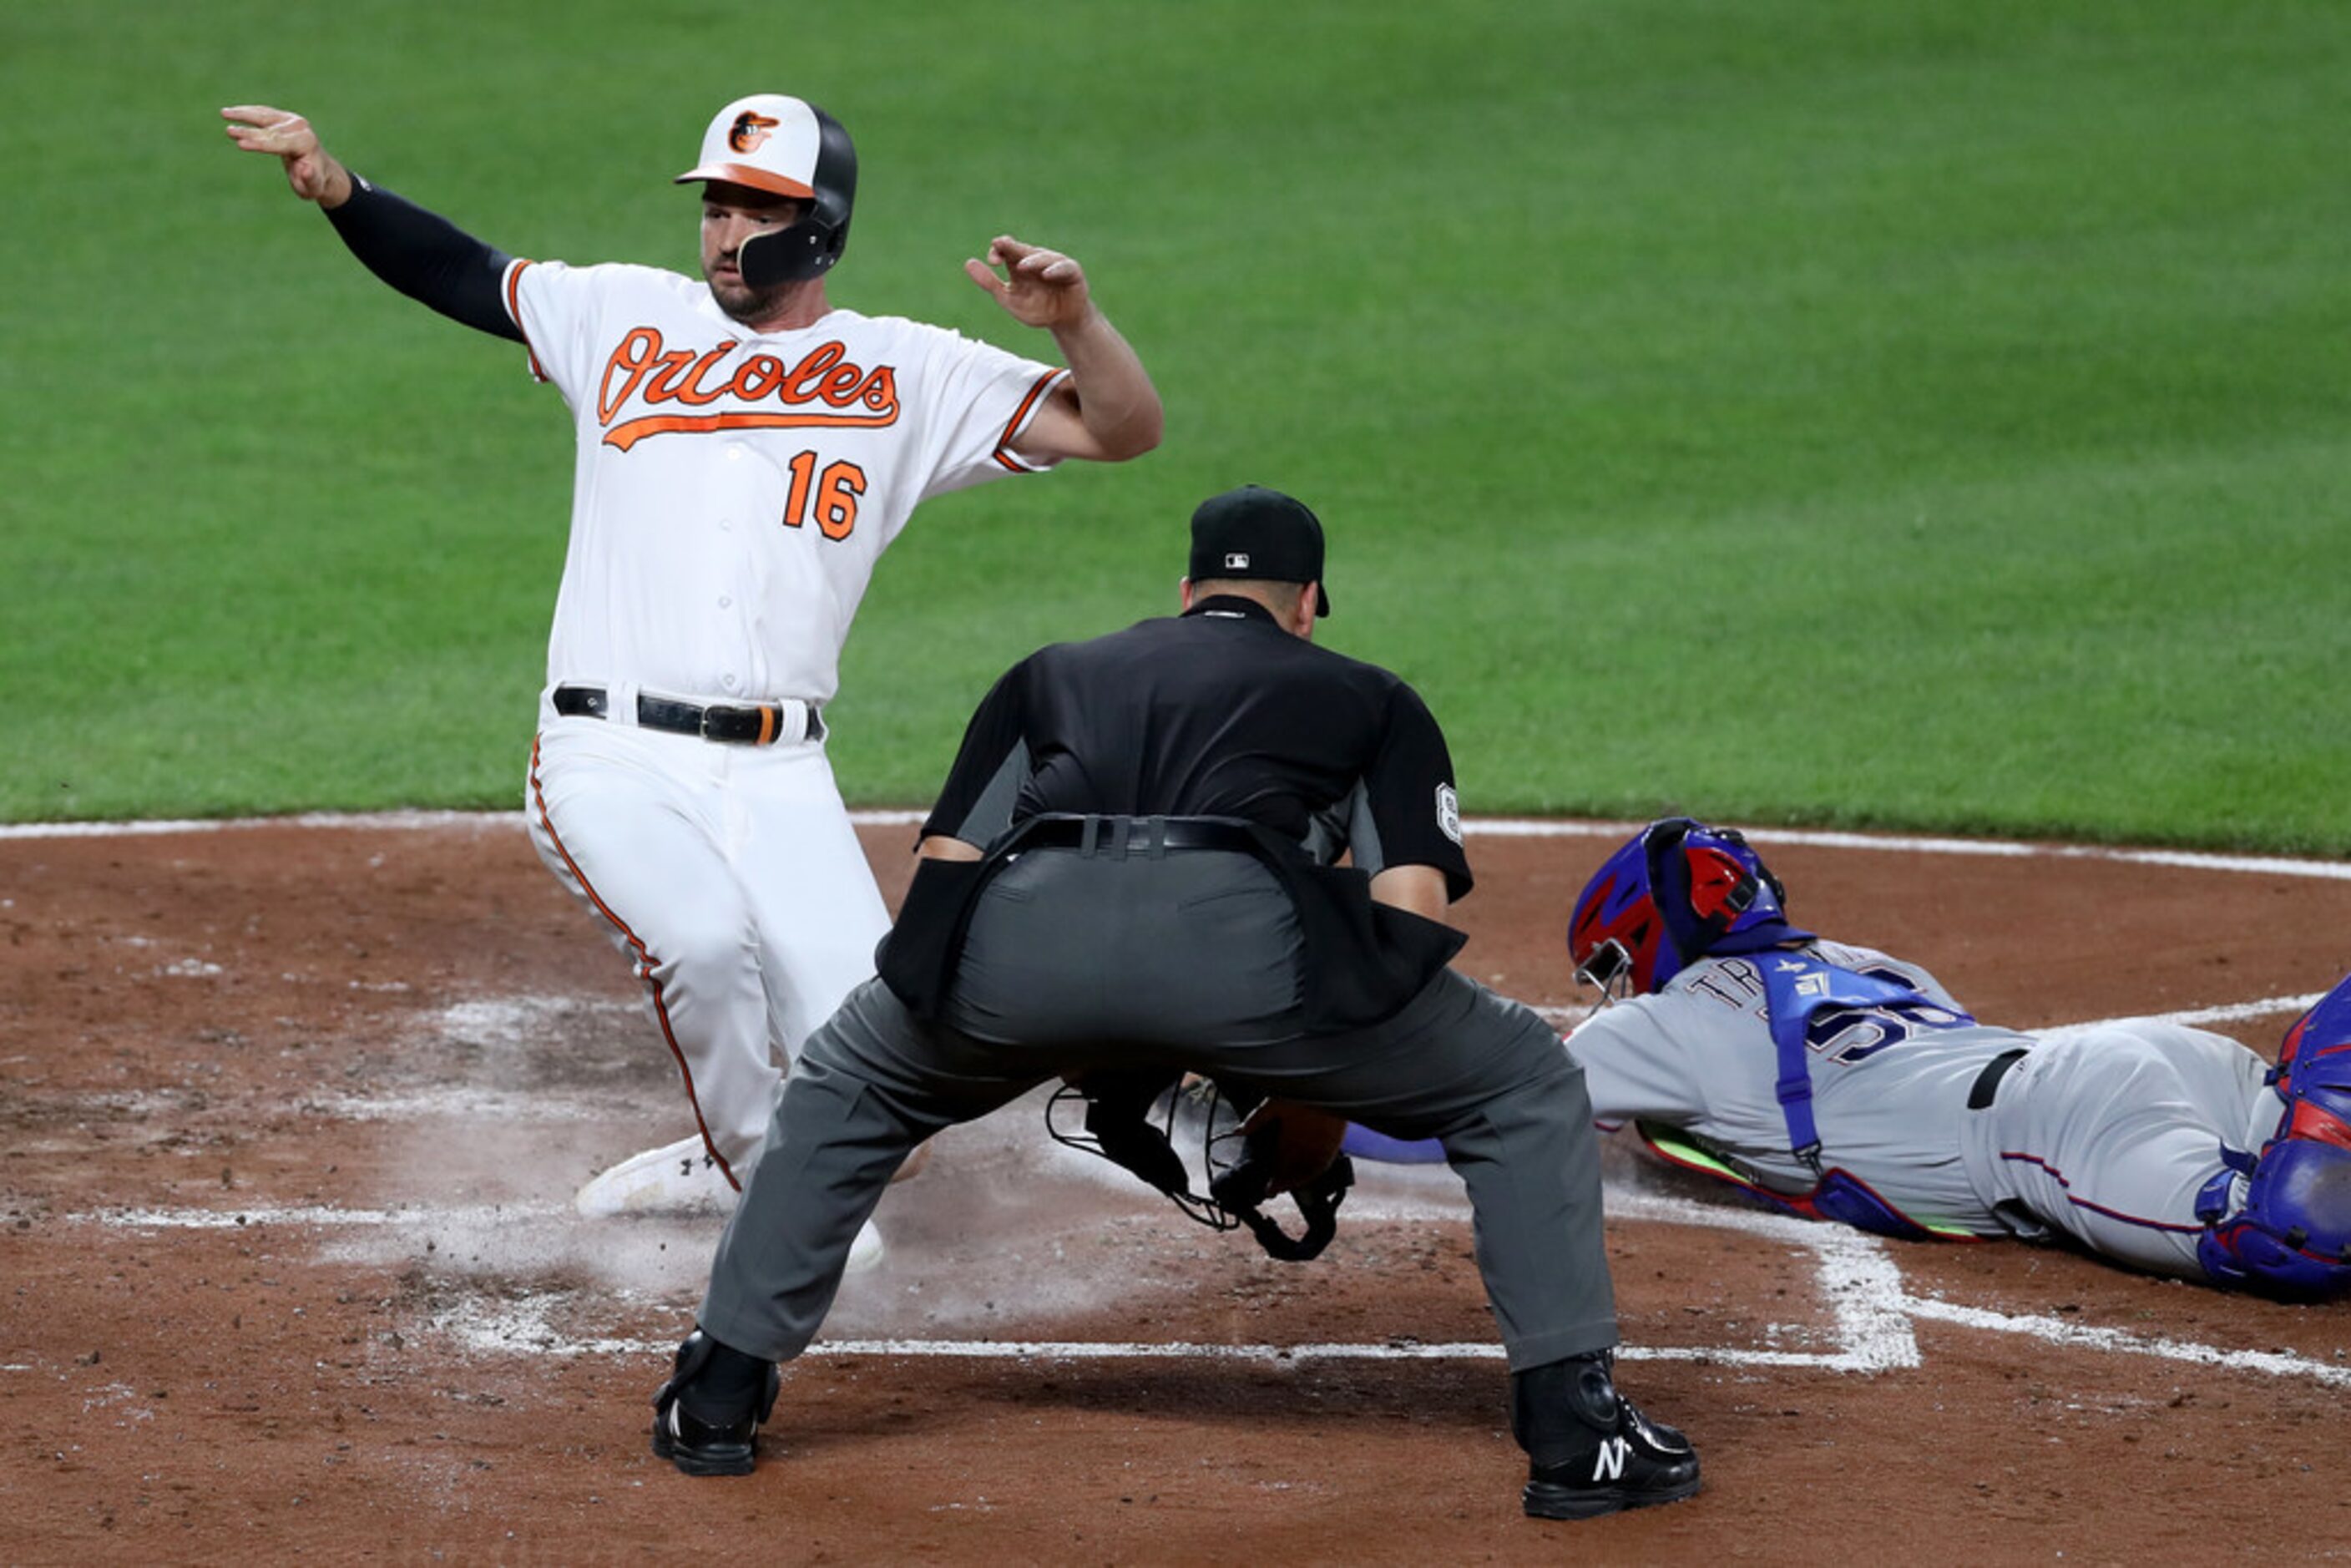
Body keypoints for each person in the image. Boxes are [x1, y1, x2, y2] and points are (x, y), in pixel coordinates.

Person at [645, 487, 1701, 1520]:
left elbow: (946, 866)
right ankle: (1575, 1432)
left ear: (1186, 588)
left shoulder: (1049, 673)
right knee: (1519, 1082)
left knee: (844, 1083)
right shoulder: (1369, 696)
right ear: (1307, 604)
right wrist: (1309, 1059)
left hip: (1017, 941)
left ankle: (717, 1394)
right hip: (1243, 949)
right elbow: (1409, 912)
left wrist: (963, 1024)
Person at [222, 95, 1165, 1250]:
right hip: (610, 749)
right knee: (704, 943)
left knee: (893, 1095)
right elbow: (461, 273)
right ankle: (775, 1194)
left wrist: (1075, 322)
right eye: (714, 206)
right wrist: (339, 188)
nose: (722, 234)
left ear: (819, 225)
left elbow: (1122, 428)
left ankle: (729, 1153)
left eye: (753, 211)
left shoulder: (909, 371)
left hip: (781, 774)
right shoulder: (622, 316)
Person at [1557, 817, 2351, 1297]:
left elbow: (1495, 1102)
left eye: (1616, 964)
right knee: (2323, 1168)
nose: (1620, 989)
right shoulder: (1866, 964)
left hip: (2059, 1131)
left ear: (1649, 930)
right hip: (2143, 1059)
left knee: (2286, 1238)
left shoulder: (1656, 1025)